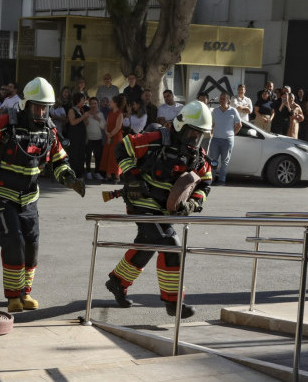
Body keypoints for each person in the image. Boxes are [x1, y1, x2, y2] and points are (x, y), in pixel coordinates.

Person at [0, 77, 85, 313]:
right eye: (37, 106)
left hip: (29, 196)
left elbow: (60, 161)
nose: (41, 112)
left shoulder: (49, 130)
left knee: (32, 244)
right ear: (25, 104)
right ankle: (13, 296)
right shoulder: (5, 124)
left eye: (46, 107)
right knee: (14, 240)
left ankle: (25, 293)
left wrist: (70, 179)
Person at [104, 100, 213, 318]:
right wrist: (133, 177)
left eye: (200, 135)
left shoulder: (197, 155)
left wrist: (193, 203)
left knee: (147, 245)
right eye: (193, 134)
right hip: (141, 203)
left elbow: (206, 181)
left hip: (164, 211)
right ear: (181, 126)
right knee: (171, 244)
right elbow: (122, 147)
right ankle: (174, 303)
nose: (196, 140)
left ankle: (117, 281)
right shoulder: (156, 139)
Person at [209, 93, 242, 186]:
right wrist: (211, 134)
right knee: (214, 160)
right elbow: (212, 124)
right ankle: (211, 178)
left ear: (228, 100)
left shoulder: (233, 111)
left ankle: (221, 180)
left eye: (224, 98)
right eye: (221, 98)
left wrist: (232, 134)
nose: (222, 100)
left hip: (227, 140)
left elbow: (239, 125)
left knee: (225, 161)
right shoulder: (215, 111)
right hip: (215, 139)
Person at [100, 94, 126, 183]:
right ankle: (108, 175)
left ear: (115, 103)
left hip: (116, 137)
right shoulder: (110, 113)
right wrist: (107, 133)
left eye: (111, 102)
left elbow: (118, 127)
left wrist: (110, 135)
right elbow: (106, 124)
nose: (109, 103)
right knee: (108, 155)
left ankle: (117, 176)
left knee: (115, 156)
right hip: (109, 136)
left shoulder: (120, 114)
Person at [67, 92, 90, 178]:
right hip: (74, 135)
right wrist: (83, 117)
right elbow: (72, 122)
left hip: (81, 135)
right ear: (77, 100)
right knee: (74, 153)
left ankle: (80, 172)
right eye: (82, 100)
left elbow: (85, 123)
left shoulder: (82, 110)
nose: (84, 101)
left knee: (81, 153)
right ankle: (73, 172)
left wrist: (85, 119)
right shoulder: (71, 110)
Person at [85, 97, 106, 181]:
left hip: (98, 138)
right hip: (88, 138)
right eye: (92, 103)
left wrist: (99, 119)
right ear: (89, 104)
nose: (93, 105)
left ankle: (97, 173)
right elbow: (83, 126)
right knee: (88, 156)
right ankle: (88, 172)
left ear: (97, 104)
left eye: (95, 103)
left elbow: (104, 126)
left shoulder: (100, 114)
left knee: (98, 157)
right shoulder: (86, 114)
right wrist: (85, 123)